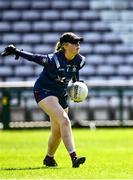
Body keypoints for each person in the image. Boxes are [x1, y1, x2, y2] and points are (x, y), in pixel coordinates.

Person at [1, 32, 86, 168]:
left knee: (57, 131)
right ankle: (74, 157)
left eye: (78, 42)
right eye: (74, 42)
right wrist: (16, 51)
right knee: (64, 120)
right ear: (65, 46)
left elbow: (74, 71)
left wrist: (76, 86)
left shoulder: (80, 60)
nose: (78, 45)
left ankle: (49, 158)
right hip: (43, 91)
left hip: (61, 94)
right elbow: (35, 57)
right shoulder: (53, 60)